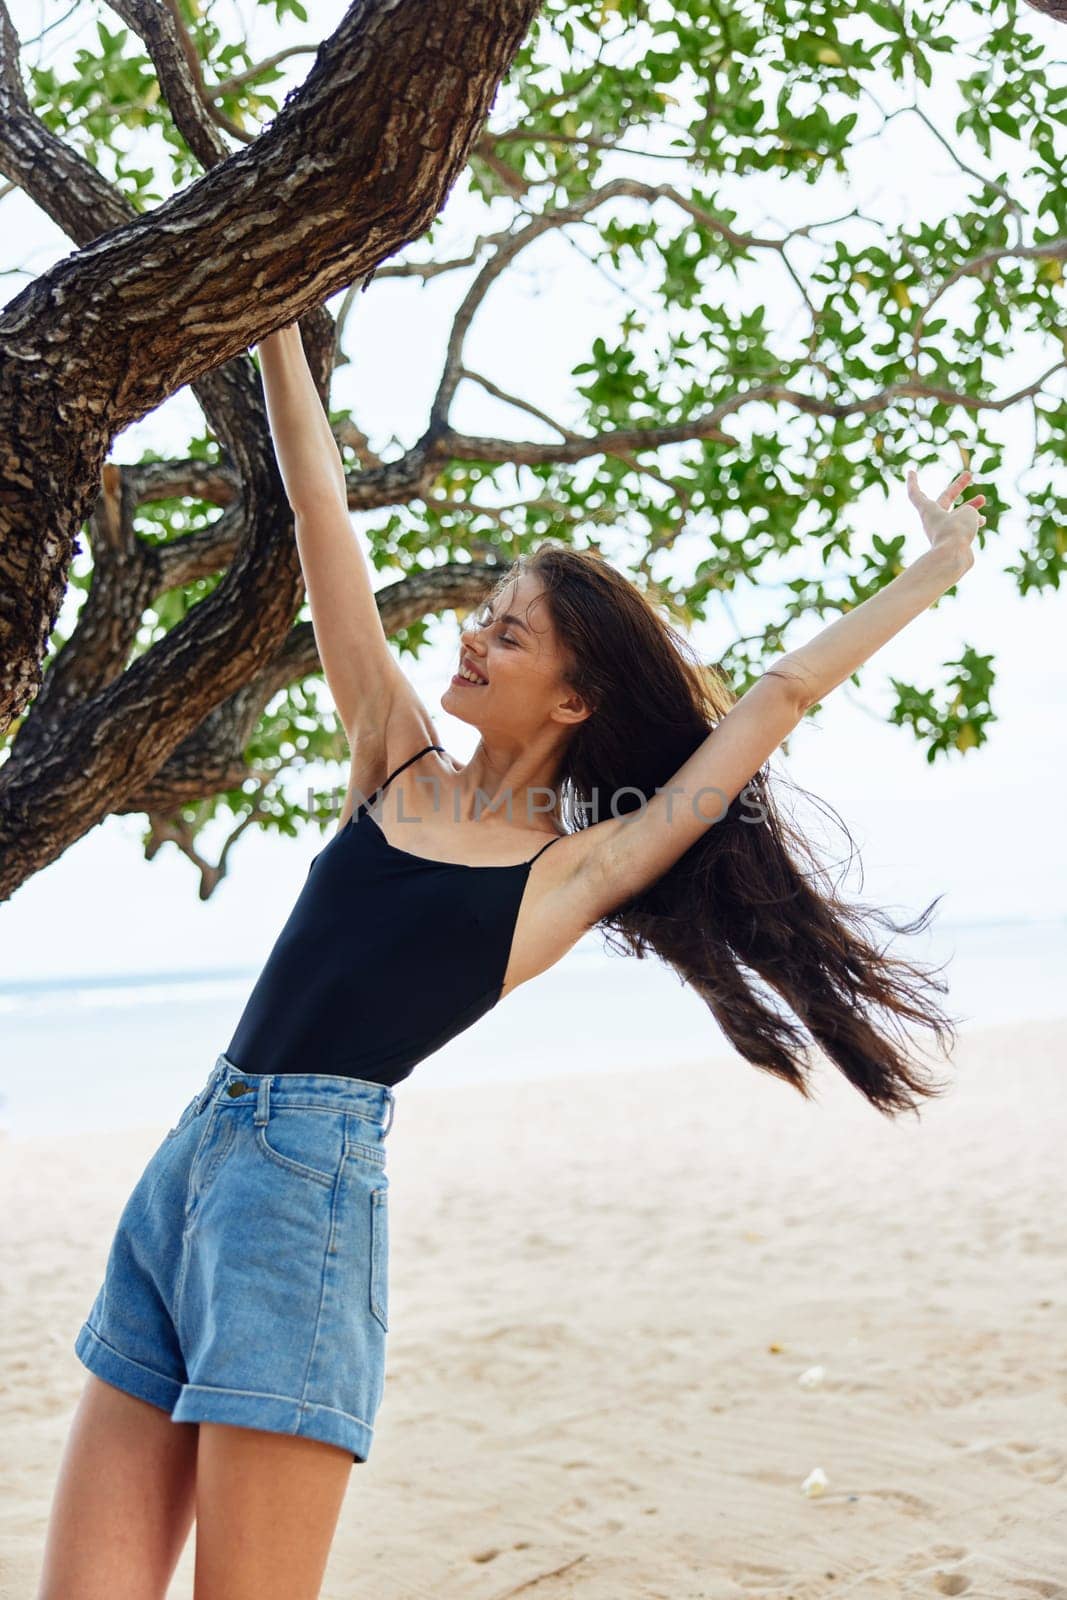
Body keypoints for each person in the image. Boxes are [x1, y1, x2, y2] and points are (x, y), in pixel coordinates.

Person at [37, 318, 987, 1600]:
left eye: (509, 634)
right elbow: (330, 536)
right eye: (483, 618)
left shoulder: (577, 869)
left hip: (300, 1199)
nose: (472, 640)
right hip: (188, 1161)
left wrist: (931, 569)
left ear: (574, 700)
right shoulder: (395, 756)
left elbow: (773, 699)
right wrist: (272, 336)